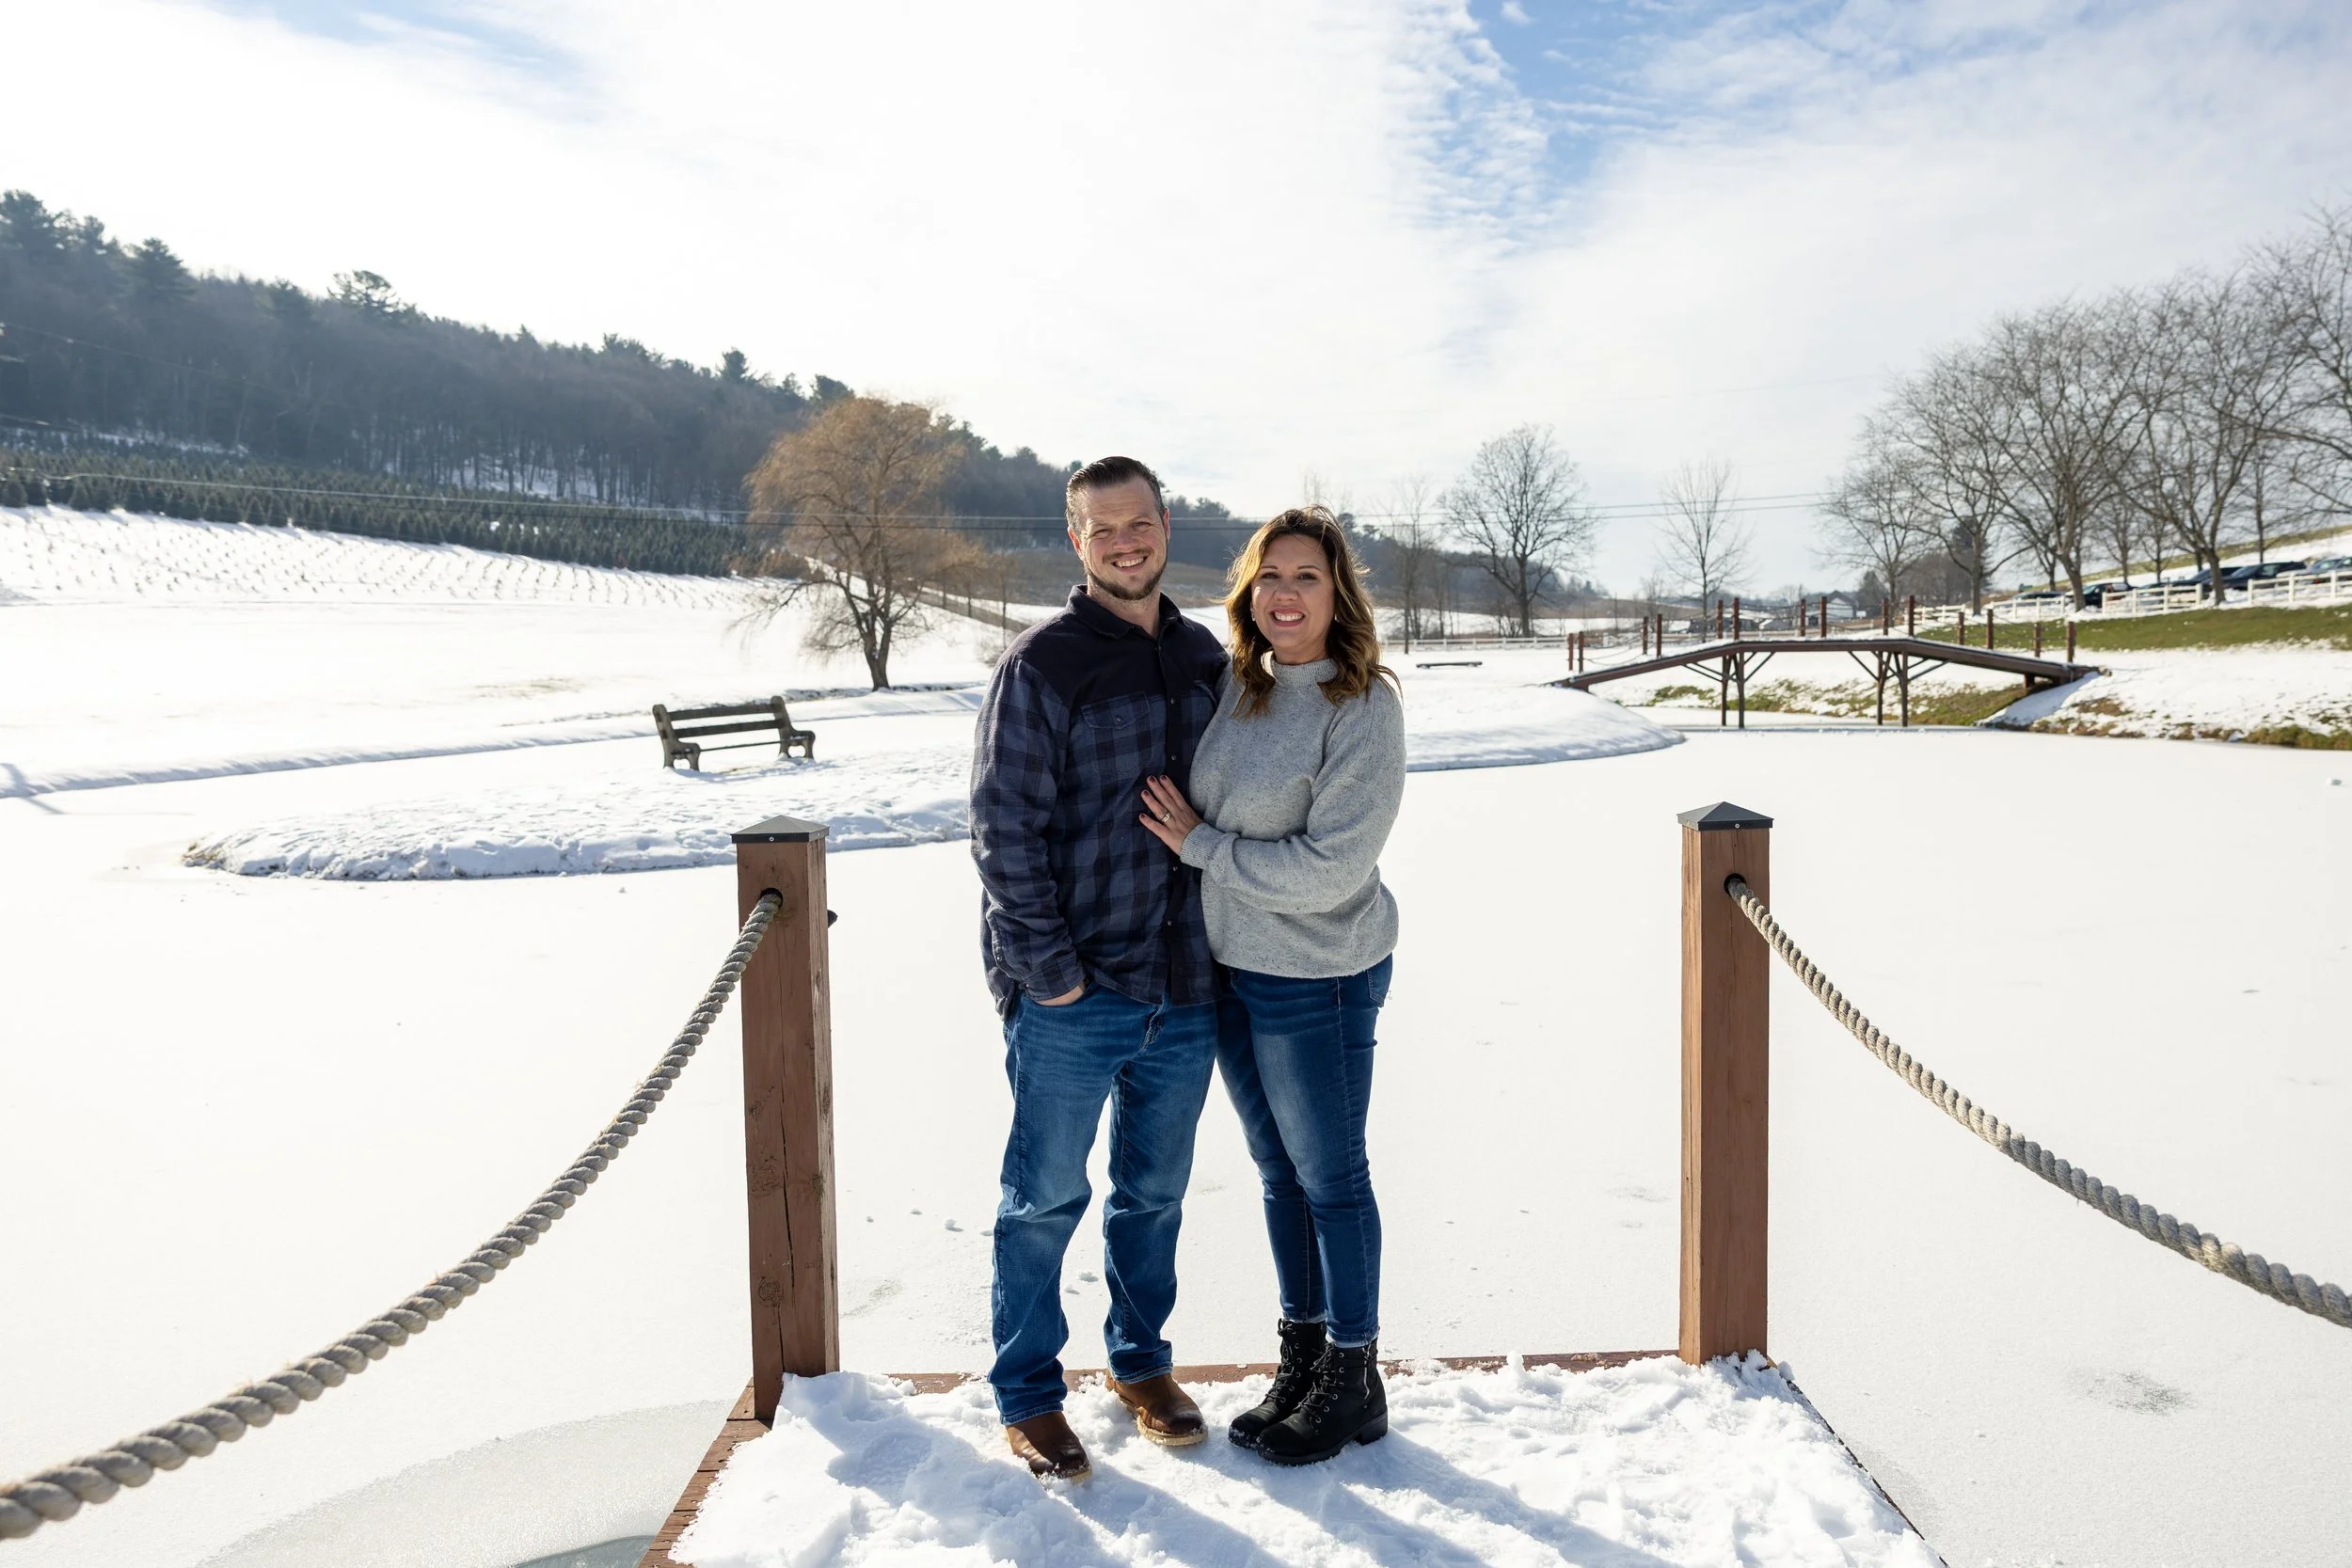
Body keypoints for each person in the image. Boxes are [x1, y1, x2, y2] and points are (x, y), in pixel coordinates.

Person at [970, 454, 1230, 1482]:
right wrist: (1050, 975)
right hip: (1076, 989)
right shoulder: (1042, 663)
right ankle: (1029, 1390)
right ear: (1075, 541)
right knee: (1040, 1197)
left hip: (1190, 981)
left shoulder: (1205, 655)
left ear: (1165, 525)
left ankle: (1140, 1362)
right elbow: (1003, 827)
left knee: (1153, 1193)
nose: (1126, 541)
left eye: (1140, 522)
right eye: (1101, 527)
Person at [1139, 504, 1406, 1466]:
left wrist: (1204, 847)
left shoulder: (1362, 703)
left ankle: (1353, 1374)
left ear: (1338, 595)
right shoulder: (1240, 690)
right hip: (1235, 969)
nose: (1284, 593)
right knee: (1277, 1173)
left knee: (1332, 1178)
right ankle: (1301, 1356)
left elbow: (1331, 867)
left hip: (1319, 974)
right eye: (1270, 575)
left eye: (1306, 576)